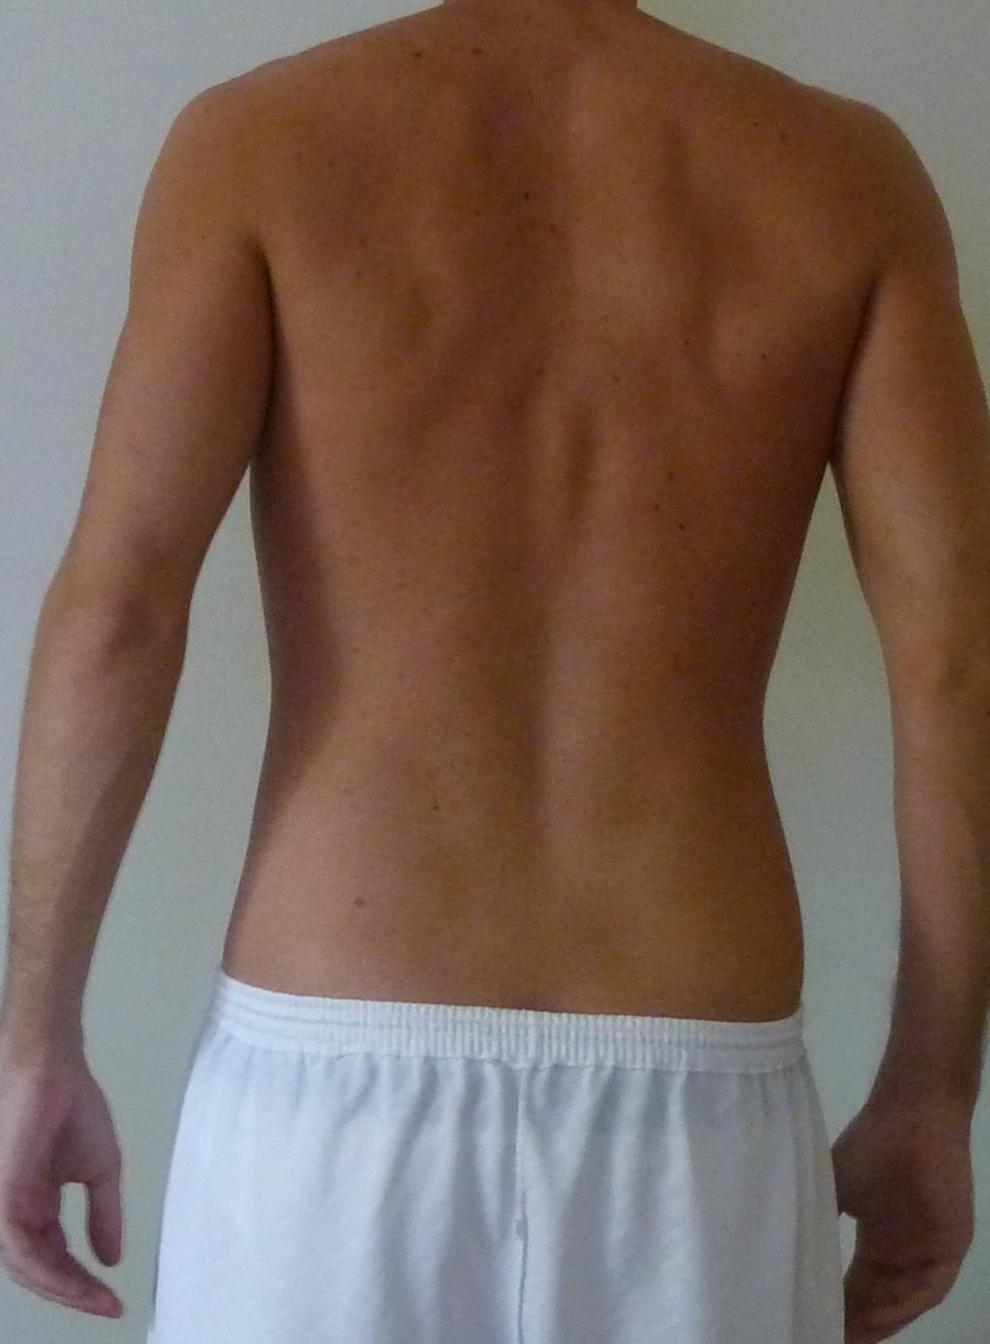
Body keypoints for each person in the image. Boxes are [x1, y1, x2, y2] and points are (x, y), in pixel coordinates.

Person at [0, 0, 986, 1338]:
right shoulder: (844, 175)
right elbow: (953, 663)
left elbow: (119, 611)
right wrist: (933, 1089)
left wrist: (34, 1041)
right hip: (698, 1091)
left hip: (332, 1080)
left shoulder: (259, 141)